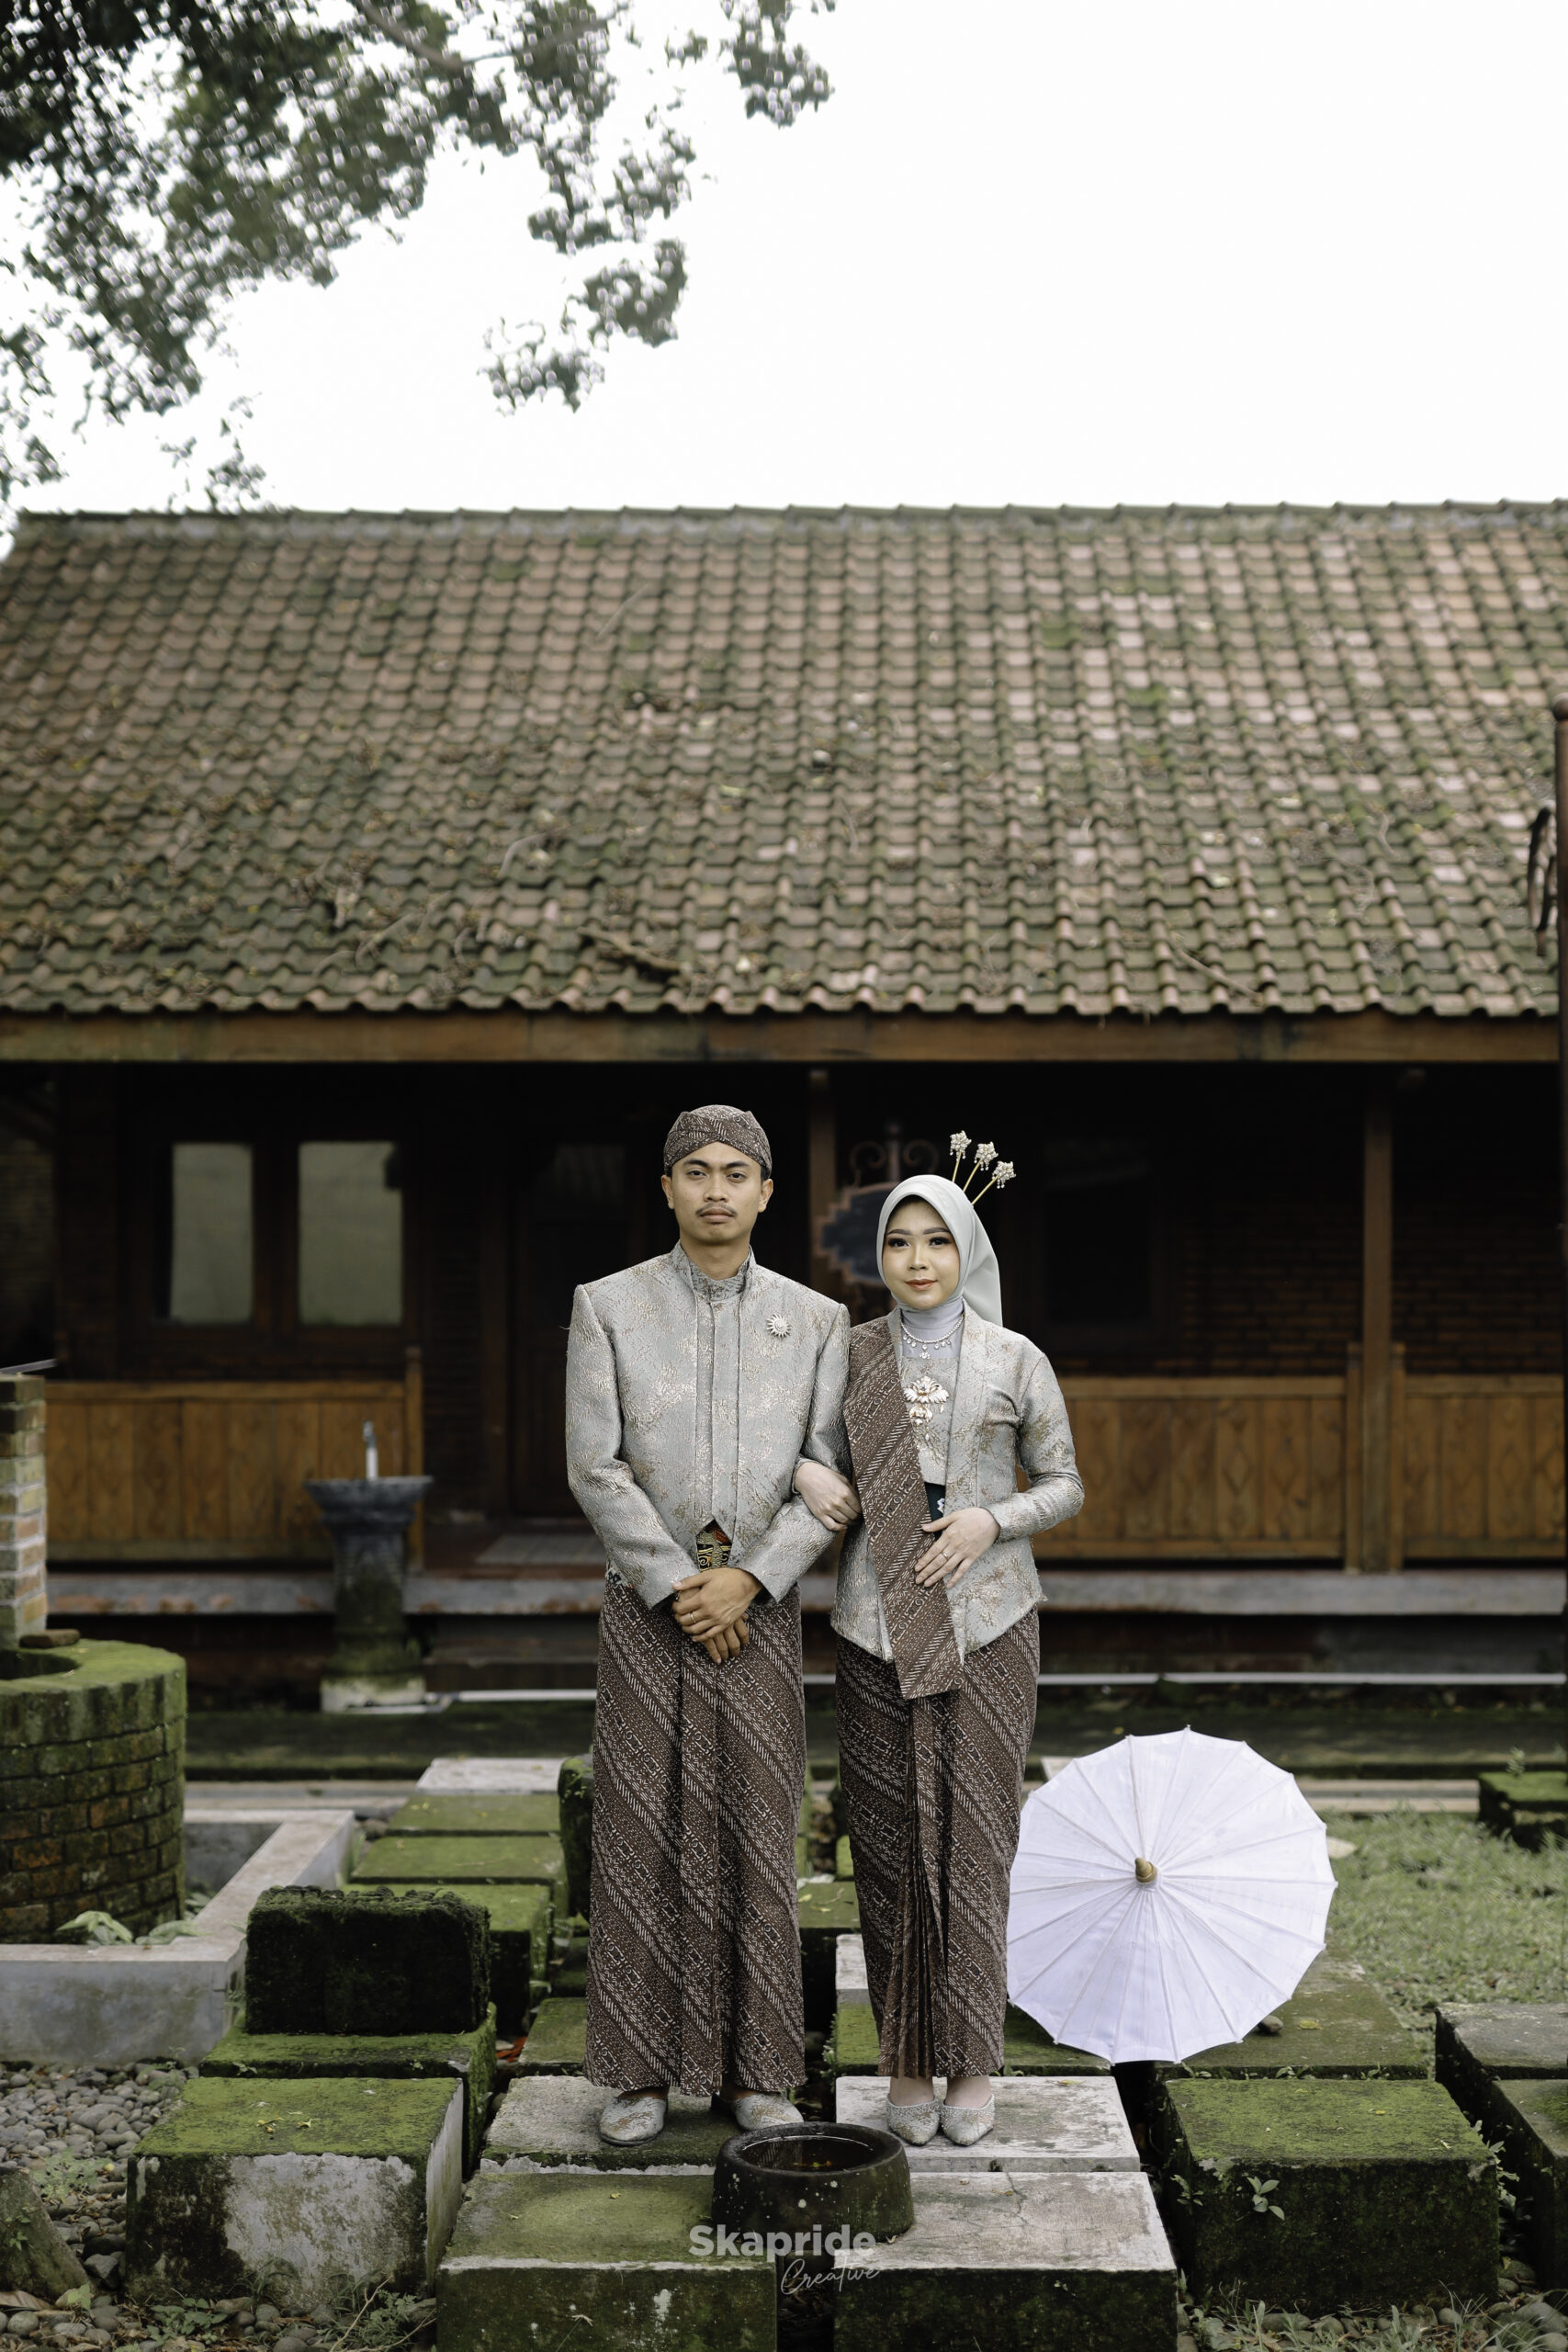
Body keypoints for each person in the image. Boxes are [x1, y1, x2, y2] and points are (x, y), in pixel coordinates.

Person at [565, 1103, 850, 2146]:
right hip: (648, 1608)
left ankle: (758, 2069)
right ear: (667, 1188)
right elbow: (594, 1465)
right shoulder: (609, 1306)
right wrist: (681, 1583)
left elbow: (828, 1473)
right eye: (696, 1171)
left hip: (761, 1614)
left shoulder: (816, 1320)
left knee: (757, 1826)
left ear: (767, 1191)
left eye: (737, 1172)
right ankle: (638, 2072)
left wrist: (751, 1581)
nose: (716, 1189)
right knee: (640, 1825)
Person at [795, 1165, 1083, 2147]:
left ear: (968, 1250)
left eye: (937, 1240)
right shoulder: (850, 1353)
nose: (917, 1259)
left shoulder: (1015, 1357)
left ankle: (972, 2064)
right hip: (873, 1624)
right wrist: (808, 1472)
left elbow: (1065, 1483)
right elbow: (805, 1452)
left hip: (989, 1622)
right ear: (878, 1254)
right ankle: (907, 2064)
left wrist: (990, 1519)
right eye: (899, 1241)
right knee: (885, 1844)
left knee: (976, 1840)